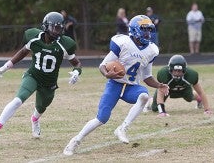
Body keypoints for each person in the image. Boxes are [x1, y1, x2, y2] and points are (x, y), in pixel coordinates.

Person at [63, 15, 169, 156]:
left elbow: (147, 77)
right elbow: (103, 65)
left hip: (131, 87)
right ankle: (75, 141)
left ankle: (122, 128)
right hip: (115, 84)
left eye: (149, 30)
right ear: (134, 29)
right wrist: (107, 74)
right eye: (143, 29)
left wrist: (160, 85)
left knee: (144, 96)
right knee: (102, 118)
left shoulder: (152, 50)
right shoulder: (123, 42)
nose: (147, 33)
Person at [0, 12, 82, 142]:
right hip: (33, 76)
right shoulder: (34, 37)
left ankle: (34, 119)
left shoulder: (64, 44)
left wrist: (76, 72)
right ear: (46, 27)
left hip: (49, 83)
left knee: (41, 107)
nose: (57, 31)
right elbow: (23, 52)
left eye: (59, 28)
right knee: (18, 100)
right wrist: (6, 66)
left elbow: (77, 63)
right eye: (54, 27)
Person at [143, 55, 212, 117]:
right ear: (170, 69)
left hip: (184, 89)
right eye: (175, 70)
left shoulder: (191, 75)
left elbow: (201, 92)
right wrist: (162, 112)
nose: (177, 73)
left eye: (179, 71)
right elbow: (160, 92)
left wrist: (207, 109)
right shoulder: (164, 74)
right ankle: (151, 101)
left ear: (184, 70)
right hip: (167, 89)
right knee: (155, 108)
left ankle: (198, 99)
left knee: (189, 98)